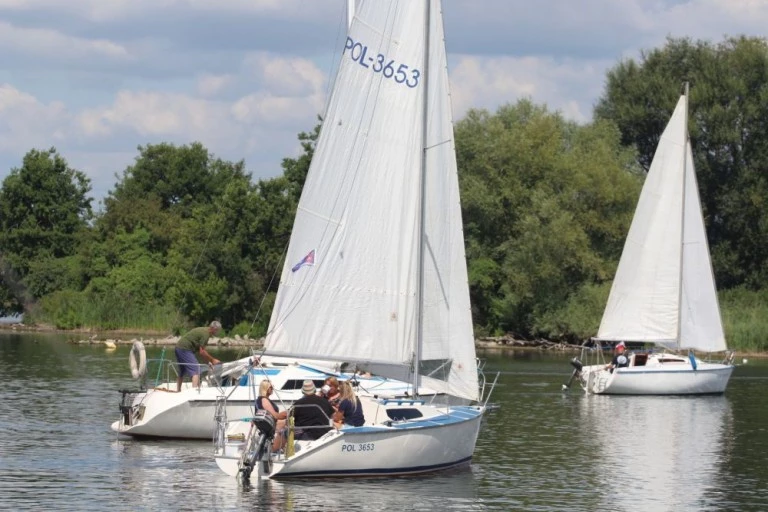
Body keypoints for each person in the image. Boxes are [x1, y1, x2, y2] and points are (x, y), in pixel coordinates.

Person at [175, 321, 222, 391]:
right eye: (217, 330)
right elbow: (202, 352)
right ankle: (194, 393)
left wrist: (208, 362)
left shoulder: (204, 330)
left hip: (178, 347)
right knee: (196, 370)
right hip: (185, 349)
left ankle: (178, 390)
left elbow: (201, 352)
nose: (218, 332)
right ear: (213, 329)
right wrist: (212, 360)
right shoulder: (206, 334)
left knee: (182, 370)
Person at [256, 380, 287, 451]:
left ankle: (280, 446)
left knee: (288, 423)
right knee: (288, 424)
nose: (272, 388)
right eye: (271, 387)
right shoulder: (264, 400)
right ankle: (275, 448)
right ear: (265, 388)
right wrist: (287, 413)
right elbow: (276, 416)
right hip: (269, 425)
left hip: (270, 424)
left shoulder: (263, 399)